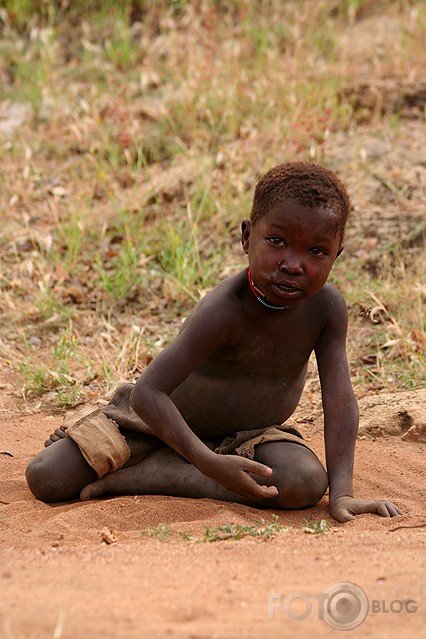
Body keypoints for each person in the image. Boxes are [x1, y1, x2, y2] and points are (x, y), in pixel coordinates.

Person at [26, 161, 402, 523]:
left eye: (316, 251)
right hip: (155, 425)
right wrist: (206, 461)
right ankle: (166, 467)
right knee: (47, 476)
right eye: (277, 241)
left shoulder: (327, 308)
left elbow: (338, 400)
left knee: (304, 482)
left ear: (337, 253)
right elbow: (147, 394)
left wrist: (342, 493)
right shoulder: (225, 310)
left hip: (251, 438)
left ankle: (152, 475)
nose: (293, 263)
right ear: (246, 236)